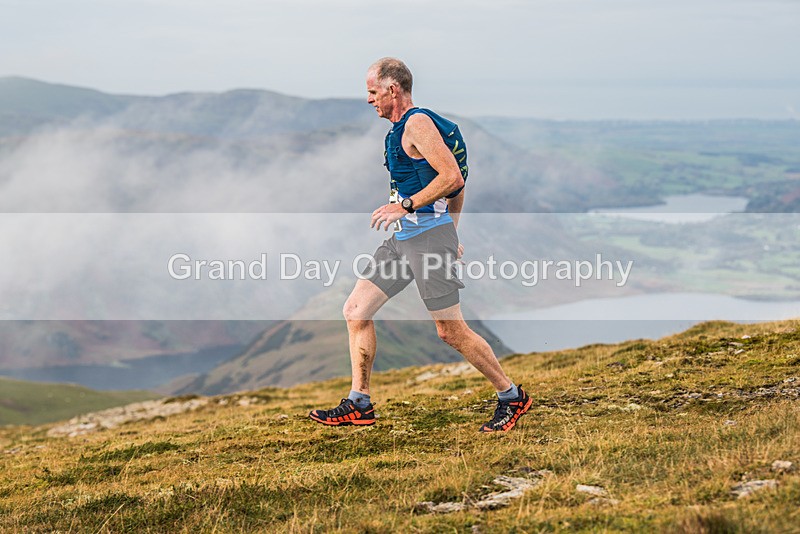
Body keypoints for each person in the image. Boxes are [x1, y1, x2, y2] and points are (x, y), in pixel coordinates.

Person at [309, 58, 531, 433]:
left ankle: (512, 397)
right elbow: (455, 182)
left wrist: (410, 208)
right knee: (356, 310)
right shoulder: (398, 130)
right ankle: (359, 403)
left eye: (372, 91)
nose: (368, 100)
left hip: (428, 240)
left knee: (450, 331)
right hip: (404, 239)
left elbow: (452, 177)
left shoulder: (417, 123)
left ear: (392, 90)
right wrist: (446, 226)